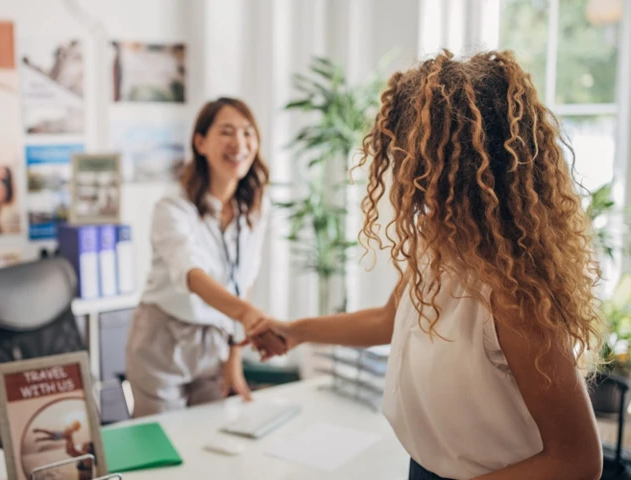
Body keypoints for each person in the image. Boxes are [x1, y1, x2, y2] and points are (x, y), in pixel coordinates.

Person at [245, 50, 603, 480]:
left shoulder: (514, 293)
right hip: (423, 468)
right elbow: (388, 319)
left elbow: (579, 460)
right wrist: (296, 331)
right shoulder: (433, 241)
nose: (401, 177)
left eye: (412, 160)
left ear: (466, 169)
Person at [126, 97, 287, 418]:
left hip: (217, 341)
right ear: (200, 143)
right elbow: (192, 274)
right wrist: (249, 316)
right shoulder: (172, 208)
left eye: (247, 132)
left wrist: (234, 360)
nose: (239, 143)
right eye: (226, 132)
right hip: (163, 338)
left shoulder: (255, 209)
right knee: (163, 442)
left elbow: (245, 282)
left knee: (214, 433)